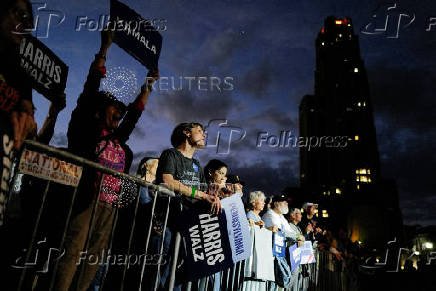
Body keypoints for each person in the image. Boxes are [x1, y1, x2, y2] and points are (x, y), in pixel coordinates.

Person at [54, 29, 158, 291]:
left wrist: (149, 85)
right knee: (72, 253)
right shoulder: (84, 131)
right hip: (84, 202)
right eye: (115, 109)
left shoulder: (119, 139)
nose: (120, 115)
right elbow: (90, 89)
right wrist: (104, 49)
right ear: (99, 111)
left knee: (92, 262)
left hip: (110, 207)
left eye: (121, 113)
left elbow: (134, 115)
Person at [0, 0, 35, 227]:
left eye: (28, 21)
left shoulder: (21, 73)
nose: (23, 23)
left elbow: (30, 120)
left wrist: (26, 120)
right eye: (19, 14)